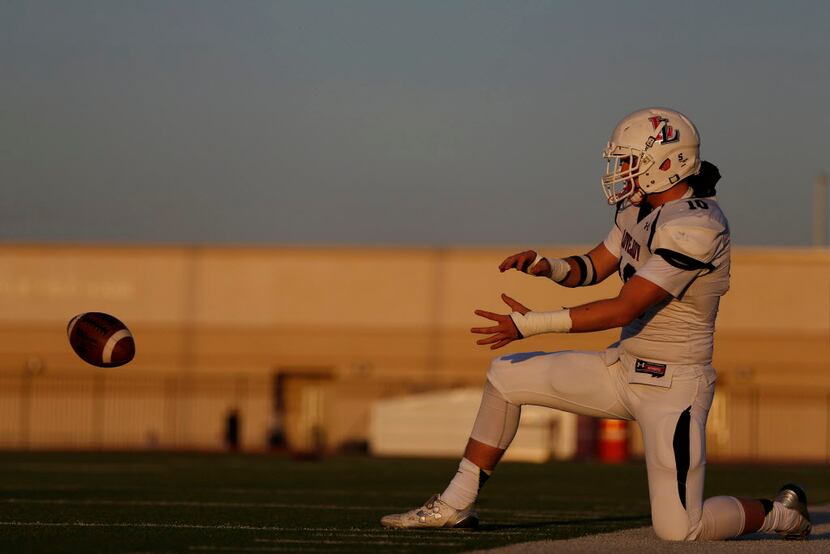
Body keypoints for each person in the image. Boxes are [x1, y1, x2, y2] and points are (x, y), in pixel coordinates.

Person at [380, 107, 812, 541]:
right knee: (505, 377)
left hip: (673, 386)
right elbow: (592, 266)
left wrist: (531, 324)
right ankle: (455, 504)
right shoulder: (637, 208)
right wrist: (545, 266)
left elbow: (624, 308)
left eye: (629, 161)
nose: (621, 172)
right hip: (622, 369)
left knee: (681, 528)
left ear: (666, 162)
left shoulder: (697, 224)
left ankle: (781, 514)